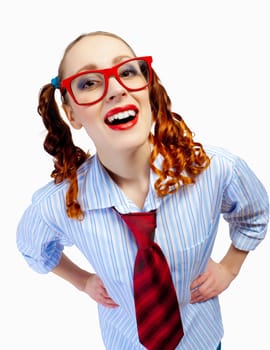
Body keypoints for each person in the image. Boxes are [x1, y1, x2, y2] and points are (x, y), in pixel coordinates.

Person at [16, 30, 269, 350]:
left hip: (202, 339)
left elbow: (254, 212)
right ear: (72, 115)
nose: (115, 89)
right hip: (125, 342)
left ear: (148, 89)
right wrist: (82, 281)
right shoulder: (57, 205)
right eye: (89, 82)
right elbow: (32, 248)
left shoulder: (215, 170)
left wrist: (230, 267)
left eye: (127, 71)